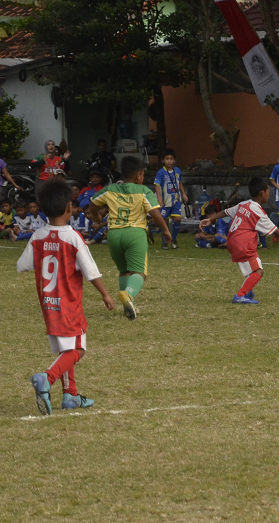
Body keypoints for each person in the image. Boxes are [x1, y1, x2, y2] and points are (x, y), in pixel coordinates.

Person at [19, 179, 115, 415]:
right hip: (69, 303)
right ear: (69, 208)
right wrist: (105, 294)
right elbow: (90, 270)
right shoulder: (73, 237)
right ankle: (47, 378)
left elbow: (23, 265)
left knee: (67, 349)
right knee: (78, 350)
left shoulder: (38, 236)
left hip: (48, 302)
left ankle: (70, 395)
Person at [200, 177, 279, 304]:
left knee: (251, 269)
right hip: (243, 243)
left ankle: (248, 291)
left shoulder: (244, 204)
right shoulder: (258, 212)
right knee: (258, 271)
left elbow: (226, 212)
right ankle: (240, 295)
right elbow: (275, 230)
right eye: (268, 192)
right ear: (262, 193)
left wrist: (211, 219)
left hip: (232, 241)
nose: (268, 194)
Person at [91, 155, 172, 320]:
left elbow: (93, 203)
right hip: (134, 233)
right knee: (139, 272)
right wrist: (165, 229)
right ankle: (128, 294)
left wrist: (96, 218)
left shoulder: (110, 189)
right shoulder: (143, 191)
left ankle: (129, 305)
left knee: (124, 271)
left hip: (113, 234)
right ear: (139, 175)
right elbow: (154, 212)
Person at [153, 149, 188, 250]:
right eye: (167, 159)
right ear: (163, 160)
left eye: (171, 159)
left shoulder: (177, 171)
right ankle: (165, 241)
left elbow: (180, 182)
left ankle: (174, 238)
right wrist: (159, 199)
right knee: (164, 221)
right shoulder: (161, 172)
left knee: (177, 218)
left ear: (174, 160)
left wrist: (184, 194)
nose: (169, 161)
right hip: (165, 201)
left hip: (176, 200)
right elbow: (157, 186)